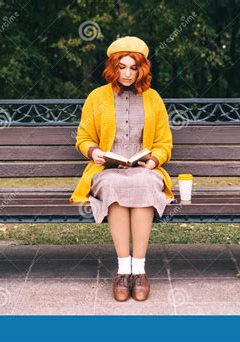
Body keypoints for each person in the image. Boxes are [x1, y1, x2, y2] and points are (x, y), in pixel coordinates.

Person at [69, 36, 175, 301]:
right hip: (108, 171)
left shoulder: (153, 99)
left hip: (142, 168)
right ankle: (122, 271)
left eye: (133, 67)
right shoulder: (97, 98)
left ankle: (138, 271)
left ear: (142, 69)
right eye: (122, 67)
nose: (127, 73)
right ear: (112, 68)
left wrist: (152, 161)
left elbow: (164, 143)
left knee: (146, 181)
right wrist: (95, 153)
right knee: (115, 184)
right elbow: (83, 138)